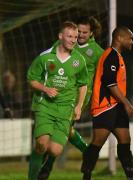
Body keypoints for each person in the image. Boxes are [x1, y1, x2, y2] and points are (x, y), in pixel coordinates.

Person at [38, 16, 104, 180]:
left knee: (62, 129)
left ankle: (47, 166)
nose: (80, 35)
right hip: (59, 92)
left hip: (79, 97)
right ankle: (87, 152)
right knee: (63, 130)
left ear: (91, 33)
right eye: (78, 31)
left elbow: (103, 77)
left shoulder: (97, 52)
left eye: (84, 32)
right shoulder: (66, 44)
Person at [27, 21, 88, 180]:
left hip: (65, 108)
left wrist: (79, 106)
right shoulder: (45, 57)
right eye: (70, 36)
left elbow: (83, 85)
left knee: (55, 150)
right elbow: (31, 79)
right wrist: (45, 89)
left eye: (75, 37)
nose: (73, 40)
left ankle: (43, 163)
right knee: (41, 144)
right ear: (60, 36)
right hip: (45, 106)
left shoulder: (79, 60)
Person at [81, 26, 133, 180]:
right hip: (105, 106)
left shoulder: (117, 56)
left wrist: (122, 104)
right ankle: (86, 174)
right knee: (98, 141)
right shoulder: (110, 55)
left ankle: (131, 176)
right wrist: (127, 104)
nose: (131, 42)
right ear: (119, 38)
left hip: (116, 106)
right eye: (129, 38)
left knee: (125, 139)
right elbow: (110, 83)